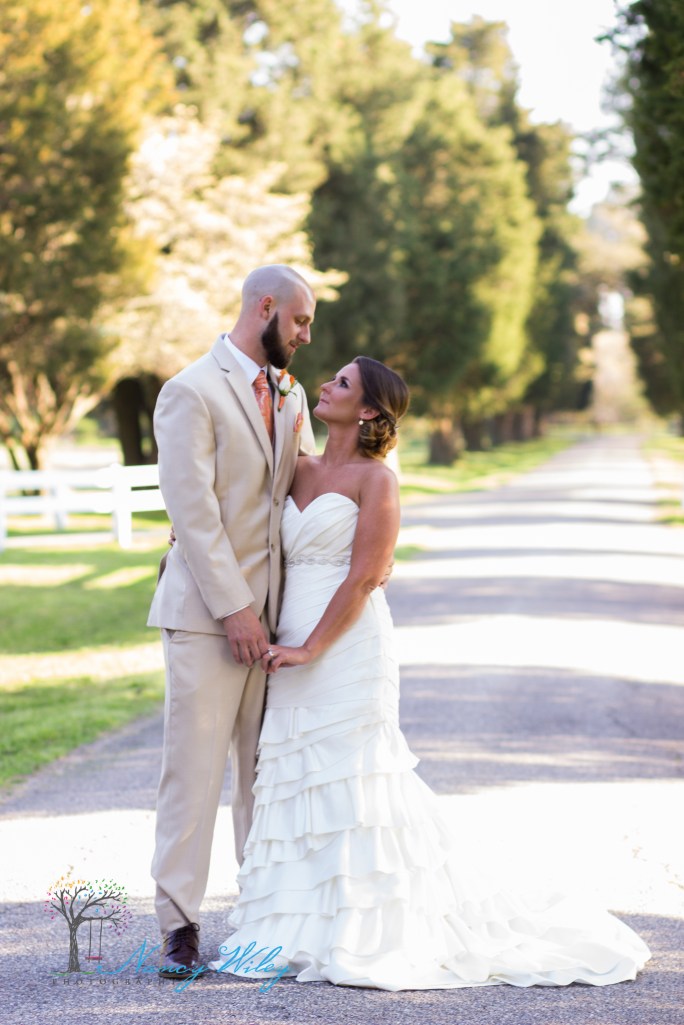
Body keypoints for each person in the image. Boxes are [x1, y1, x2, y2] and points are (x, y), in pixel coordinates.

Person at [211, 355, 651, 990]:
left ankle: (366, 931)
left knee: (355, 780)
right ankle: (296, 927)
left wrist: (309, 649)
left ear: (367, 409)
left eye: (342, 383)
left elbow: (366, 576)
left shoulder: (377, 480)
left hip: (346, 645)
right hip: (289, 634)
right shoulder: (296, 468)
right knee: (296, 773)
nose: (326, 385)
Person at [147, 264, 317, 979]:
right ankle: (179, 926)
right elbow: (193, 513)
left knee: (262, 775)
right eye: (300, 321)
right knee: (193, 773)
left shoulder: (292, 393)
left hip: (278, 622)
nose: (305, 336)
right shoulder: (190, 391)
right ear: (265, 307)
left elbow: (305, 486)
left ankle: (260, 917)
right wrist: (236, 609)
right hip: (208, 617)